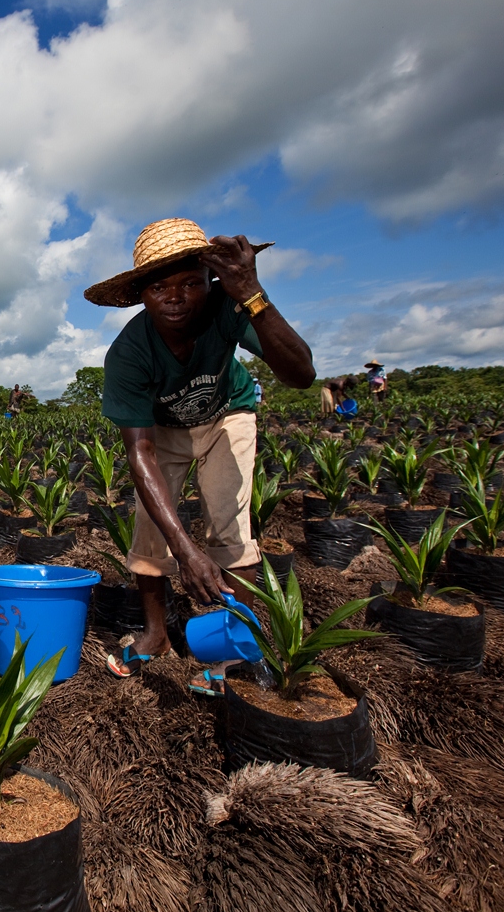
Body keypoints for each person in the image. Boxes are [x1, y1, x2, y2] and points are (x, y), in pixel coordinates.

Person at [84, 218, 315, 691]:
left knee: (230, 523)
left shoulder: (230, 308)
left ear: (212, 281)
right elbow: (140, 451)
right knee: (151, 531)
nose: (176, 296)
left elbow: (301, 375)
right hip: (162, 432)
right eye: (160, 286)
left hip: (228, 413)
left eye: (191, 282)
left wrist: (251, 292)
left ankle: (239, 649)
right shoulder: (129, 354)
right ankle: (155, 635)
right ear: (141, 294)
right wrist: (185, 552)